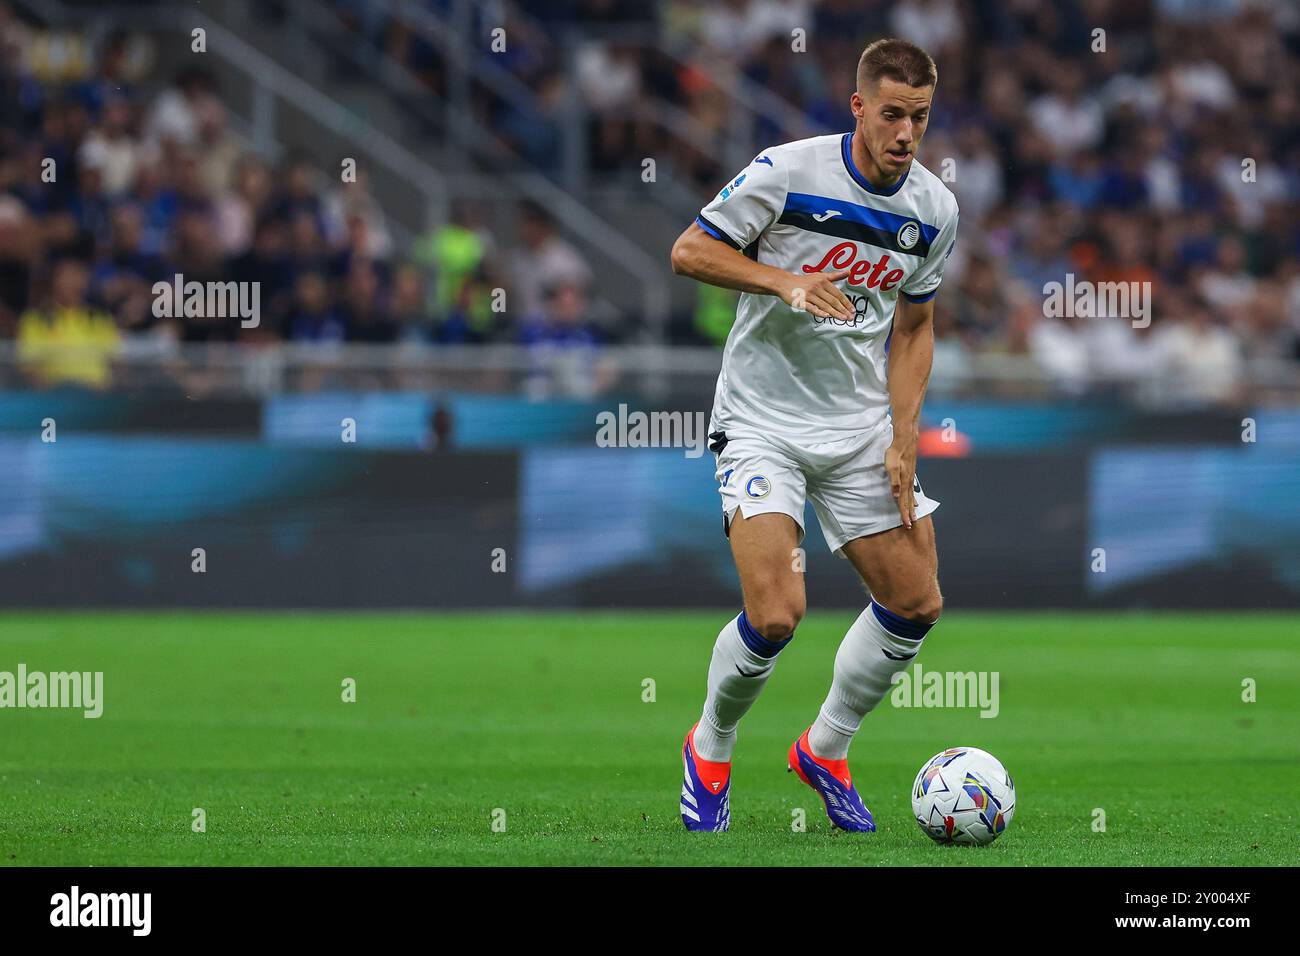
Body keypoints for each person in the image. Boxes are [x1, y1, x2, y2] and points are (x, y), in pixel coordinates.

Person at [669, 38, 958, 833]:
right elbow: (690, 250)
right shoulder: (785, 172)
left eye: (921, 118)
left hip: (860, 426)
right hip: (762, 420)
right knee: (775, 616)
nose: (906, 133)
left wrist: (905, 434)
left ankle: (825, 748)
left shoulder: (933, 209)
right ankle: (711, 746)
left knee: (916, 602)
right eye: (893, 114)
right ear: (860, 106)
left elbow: (916, 324)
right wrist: (783, 279)